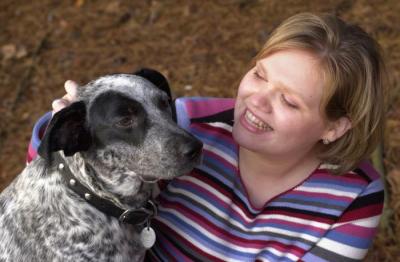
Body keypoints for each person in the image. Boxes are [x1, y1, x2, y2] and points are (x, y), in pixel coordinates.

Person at [27, 12, 385, 261]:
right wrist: (61, 121)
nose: (256, 101)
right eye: (259, 74)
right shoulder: (189, 123)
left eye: (289, 100)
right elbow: (55, 178)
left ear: (334, 127)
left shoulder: (353, 201)